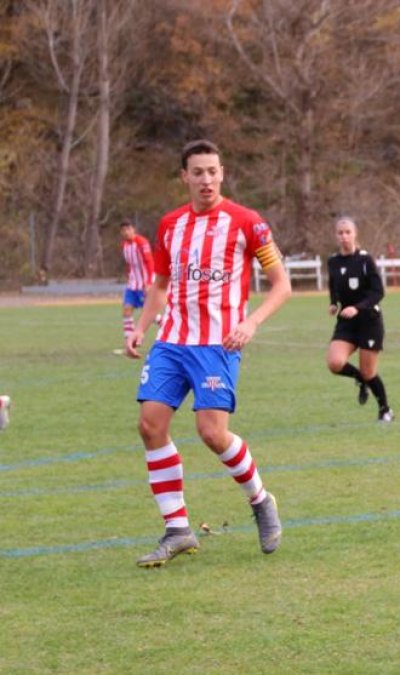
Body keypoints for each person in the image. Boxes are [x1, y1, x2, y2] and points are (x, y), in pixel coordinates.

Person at [124, 139, 292, 568]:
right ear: (185, 176)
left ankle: (260, 499)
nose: (206, 180)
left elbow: (282, 285)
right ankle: (177, 529)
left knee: (212, 433)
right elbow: (160, 285)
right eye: (197, 172)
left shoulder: (248, 223)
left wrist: (251, 323)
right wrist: (140, 327)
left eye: (213, 171)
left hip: (218, 344)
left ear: (222, 174)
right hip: (172, 341)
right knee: (150, 425)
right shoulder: (170, 225)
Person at [325, 216, 393, 423]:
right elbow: (333, 285)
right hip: (346, 322)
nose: (344, 236)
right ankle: (360, 380)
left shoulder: (365, 260)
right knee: (335, 363)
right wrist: (334, 303)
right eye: (340, 233)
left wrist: (357, 308)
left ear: (355, 234)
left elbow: (378, 292)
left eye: (348, 232)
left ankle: (385, 410)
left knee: (368, 371)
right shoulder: (333, 262)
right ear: (336, 236)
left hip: (369, 321)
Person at [117, 220, 154, 353]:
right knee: (126, 311)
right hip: (132, 285)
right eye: (123, 230)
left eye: (128, 229)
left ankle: (169, 330)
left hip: (143, 284)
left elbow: (149, 262)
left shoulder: (141, 242)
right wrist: (129, 277)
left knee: (150, 315)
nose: (126, 232)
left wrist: (149, 282)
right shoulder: (125, 245)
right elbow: (129, 265)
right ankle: (130, 344)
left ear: (133, 229)